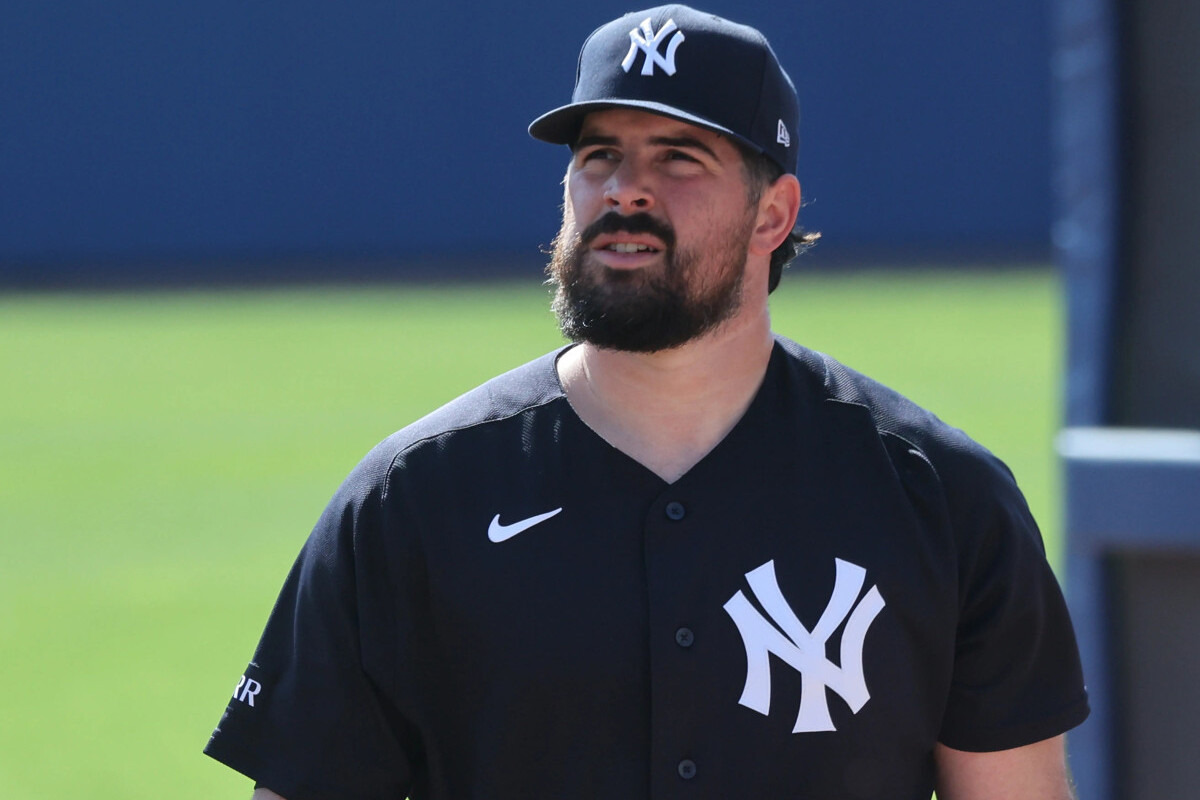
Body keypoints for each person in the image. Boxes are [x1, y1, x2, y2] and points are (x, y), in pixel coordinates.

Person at [204, 5, 1089, 799]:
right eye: (600, 157)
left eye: (678, 157)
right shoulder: (413, 501)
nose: (626, 189)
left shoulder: (939, 498)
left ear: (773, 215)